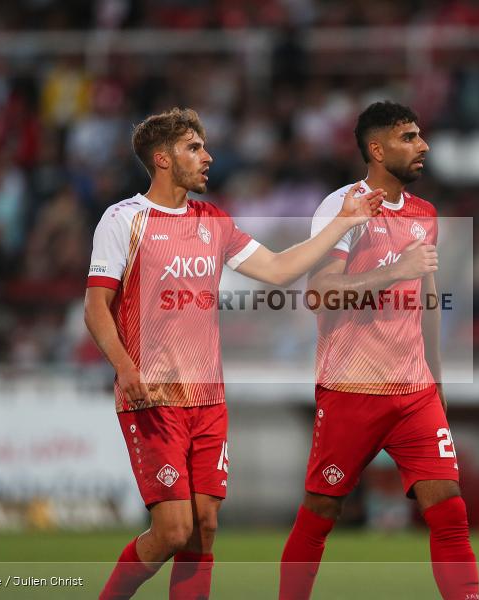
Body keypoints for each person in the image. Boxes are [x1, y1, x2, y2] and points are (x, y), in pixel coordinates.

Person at [84, 107, 384, 600]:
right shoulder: (124, 220)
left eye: (204, 146)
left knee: (203, 528)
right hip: (152, 395)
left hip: (208, 400)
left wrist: (343, 223)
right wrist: (124, 367)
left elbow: (280, 268)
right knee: (173, 531)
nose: (208, 157)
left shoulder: (214, 220)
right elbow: (97, 306)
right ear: (162, 158)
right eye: (194, 148)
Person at [279, 101, 479, 600]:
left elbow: (427, 300)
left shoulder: (424, 214)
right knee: (321, 514)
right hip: (351, 388)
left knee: (449, 508)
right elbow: (319, 290)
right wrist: (392, 271)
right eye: (409, 137)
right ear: (376, 148)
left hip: (414, 393)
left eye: (420, 135)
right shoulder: (343, 207)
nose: (423, 145)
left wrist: (437, 380)